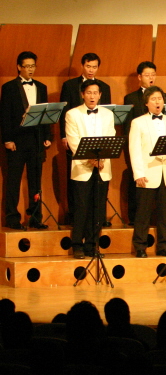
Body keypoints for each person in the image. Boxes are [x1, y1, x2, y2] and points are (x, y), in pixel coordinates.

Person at [129, 86, 166, 258]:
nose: (157, 102)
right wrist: (138, 173)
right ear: (146, 103)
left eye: (160, 98)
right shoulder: (138, 122)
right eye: (153, 99)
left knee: (164, 214)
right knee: (143, 213)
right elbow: (134, 150)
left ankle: (163, 246)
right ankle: (140, 246)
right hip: (147, 172)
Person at [1, 51, 52, 230]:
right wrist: (7, 139)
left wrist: (47, 136)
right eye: (27, 66)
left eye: (33, 66)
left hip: (36, 140)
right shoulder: (9, 87)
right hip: (16, 141)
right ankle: (12, 218)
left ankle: (35, 217)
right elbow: (4, 115)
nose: (31, 69)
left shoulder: (41, 87)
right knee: (13, 181)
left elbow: (46, 113)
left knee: (35, 181)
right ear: (19, 67)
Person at [65, 79, 115, 259]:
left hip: (102, 166)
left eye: (95, 93)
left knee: (98, 208)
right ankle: (77, 245)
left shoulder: (108, 114)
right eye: (88, 93)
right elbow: (73, 141)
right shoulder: (72, 114)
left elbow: (111, 137)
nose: (92, 96)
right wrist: (91, 159)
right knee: (81, 207)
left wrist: (101, 158)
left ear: (100, 95)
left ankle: (92, 245)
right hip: (82, 167)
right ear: (82, 95)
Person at [60, 53, 112, 224]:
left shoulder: (104, 87)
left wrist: (101, 156)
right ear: (83, 66)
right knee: (77, 186)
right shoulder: (70, 85)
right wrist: (64, 136)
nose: (91, 70)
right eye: (88, 66)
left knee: (98, 193)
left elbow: (108, 128)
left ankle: (96, 226)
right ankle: (74, 217)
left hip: (101, 150)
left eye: (94, 67)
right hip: (76, 138)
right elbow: (64, 112)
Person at [123, 61, 166, 225]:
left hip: (163, 154)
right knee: (139, 187)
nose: (151, 77)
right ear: (139, 77)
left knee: (163, 192)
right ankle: (135, 218)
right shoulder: (131, 98)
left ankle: (161, 221)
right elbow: (128, 127)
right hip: (142, 149)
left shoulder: (165, 97)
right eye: (147, 75)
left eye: (153, 74)